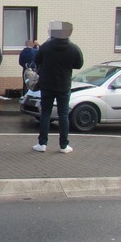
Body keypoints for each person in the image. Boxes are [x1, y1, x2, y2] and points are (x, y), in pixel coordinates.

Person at [32, 21, 84, 154]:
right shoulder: (73, 48)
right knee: (63, 115)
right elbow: (79, 64)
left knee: (45, 114)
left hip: (47, 84)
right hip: (64, 85)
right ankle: (64, 145)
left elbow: (36, 60)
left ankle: (42, 143)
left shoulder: (46, 46)